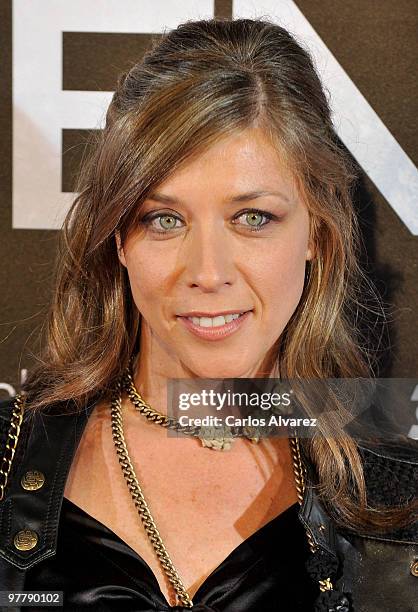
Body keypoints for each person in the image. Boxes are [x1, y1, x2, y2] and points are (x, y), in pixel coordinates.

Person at [0, 17, 416, 612]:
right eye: (163, 220)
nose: (208, 271)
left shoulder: (403, 505)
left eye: (253, 218)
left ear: (316, 234)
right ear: (119, 238)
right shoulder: (7, 457)